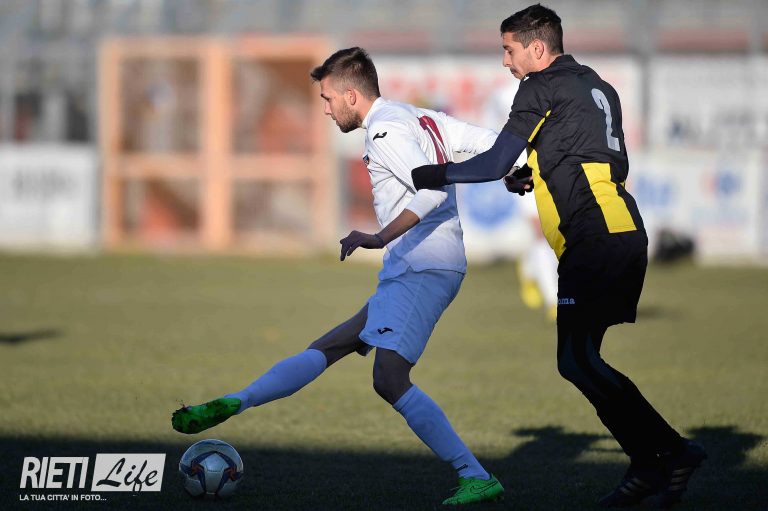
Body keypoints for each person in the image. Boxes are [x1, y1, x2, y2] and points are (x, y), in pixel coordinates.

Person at [172, 47, 504, 506]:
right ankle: (238, 400)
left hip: (424, 264)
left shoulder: (385, 131)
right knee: (332, 345)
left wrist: (379, 237)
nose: (326, 109)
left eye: (328, 99)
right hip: (413, 265)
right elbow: (488, 141)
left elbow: (432, 193)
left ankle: (475, 475)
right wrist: (516, 169)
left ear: (351, 95)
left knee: (389, 378)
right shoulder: (414, 115)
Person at [411, 5, 706, 508]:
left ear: (537, 48)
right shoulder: (595, 84)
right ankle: (651, 464)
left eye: (509, 50)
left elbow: (494, 162)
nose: (506, 61)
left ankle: (671, 453)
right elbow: (584, 153)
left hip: (593, 237)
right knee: (580, 360)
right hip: (620, 230)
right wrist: (534, 172)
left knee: (577, 360)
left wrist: (430, 174)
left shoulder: (538, 85)